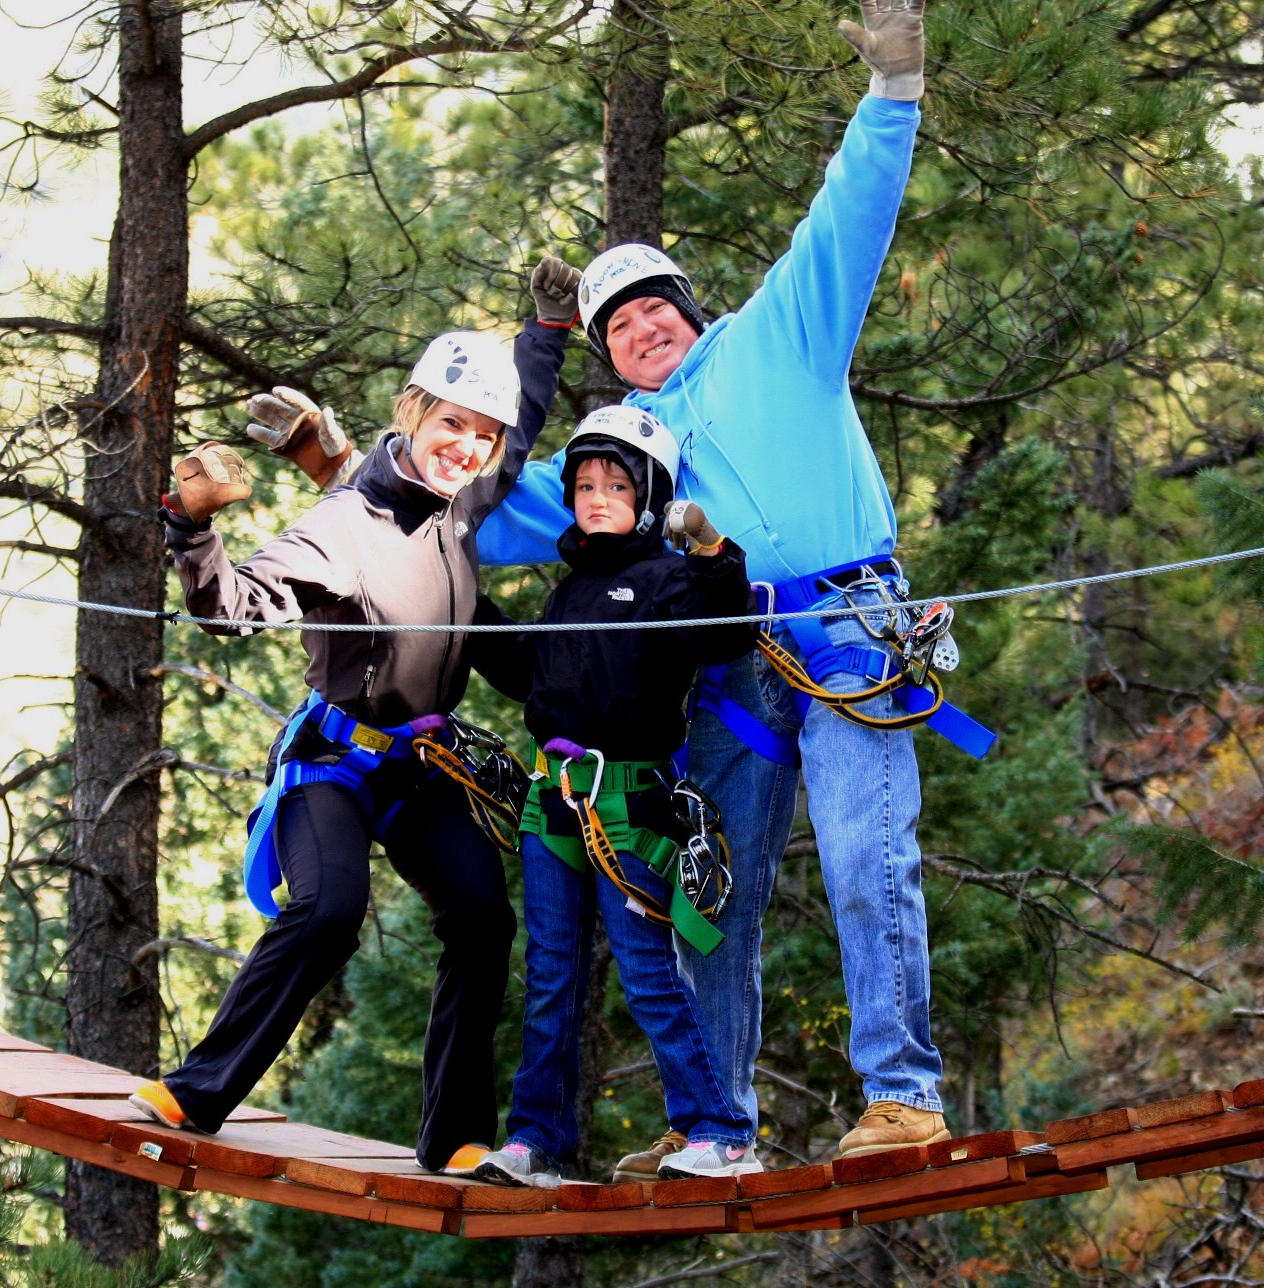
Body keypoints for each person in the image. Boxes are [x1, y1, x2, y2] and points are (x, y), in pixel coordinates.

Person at [478, 0, 990, 1165]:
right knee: (711, 894)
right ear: (603, 352)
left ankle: (903, 1098)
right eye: (617, 322)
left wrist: (893, 92)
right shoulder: (619, 453)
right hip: (725, 669)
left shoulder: (778, 337)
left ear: (691, 312)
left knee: (870, 858)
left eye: (656, 303)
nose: (640, 324)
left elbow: (843, 222)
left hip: (850, 629)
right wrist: (342, 469)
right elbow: (483, 508)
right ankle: (715, 1128)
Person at [126, 266, 573, 1176]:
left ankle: (454, 1139)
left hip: (421, 770)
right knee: (330, 911)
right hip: (332, 764)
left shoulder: (469, 498)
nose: (468, 447)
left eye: (478, 436)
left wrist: (549, 331)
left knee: (484, 919)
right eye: (453, 423)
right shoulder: (344, 524)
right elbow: (229, 610)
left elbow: (520, 421)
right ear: (413, 412)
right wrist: (190, 525)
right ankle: (198, 1090)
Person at [467, 407, 761, 1187]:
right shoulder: (570, 592)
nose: (596, 497)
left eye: (616, 484)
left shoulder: (669, 579)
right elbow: (531, 674)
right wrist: (466, 612)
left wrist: (708, 546)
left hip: (628, 804)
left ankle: (721, 1131)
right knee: (552, 974)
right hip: (553, 804)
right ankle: (537, 1142)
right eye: (584, 484)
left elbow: (729, 629)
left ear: (649, 494)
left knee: (646, 973)